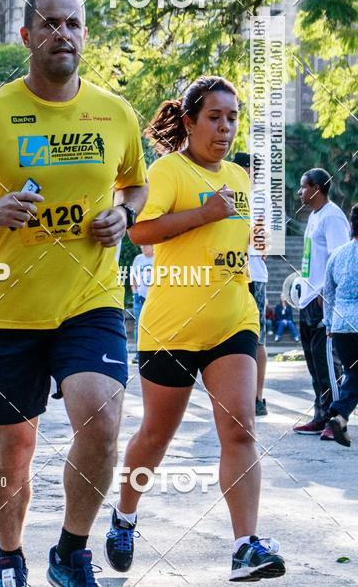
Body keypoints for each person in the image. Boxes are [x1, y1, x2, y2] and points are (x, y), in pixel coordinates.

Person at [0, 0, 148, 587]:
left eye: (72, 23)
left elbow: (135, 184)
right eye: (48, 24)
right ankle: (10, 557)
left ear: (85, 34)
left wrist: (124, 215)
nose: (61, 34)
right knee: (13, 450)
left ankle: (71, 551)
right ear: (26, 35)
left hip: (89, 300)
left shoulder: (115, 112)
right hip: (6, 309)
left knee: (100, 418)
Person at [104, 75, 285, 583]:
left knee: (240, 429)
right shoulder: (168, 171)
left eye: (233, 118)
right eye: (214, 117)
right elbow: (138, 232)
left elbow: (237, 247)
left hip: (233, 321)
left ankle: (245, 545)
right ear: (189, 122)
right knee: (156, 436)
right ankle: (125, 514)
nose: (225, 127)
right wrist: (204, 214)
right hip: (171, 327)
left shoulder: (242, 178)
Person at [293, 169, 350, 436]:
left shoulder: (333, 216)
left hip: (321, 301)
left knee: (327, 363)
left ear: (316, 188)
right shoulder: (314, 217)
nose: (299, 192)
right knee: (314, 365)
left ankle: (334, 419)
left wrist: (326, 295)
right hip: (306, 299)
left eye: (303, 187)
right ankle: (319, 413)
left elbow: (339, 258)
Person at [231, 152, 270, 417]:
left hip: (253, 274)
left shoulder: (260, 199)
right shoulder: (226, 194)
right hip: (230, 272)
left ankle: (257, 398)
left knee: (256, 338)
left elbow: (261, 240)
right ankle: (235, 396)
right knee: (230, 338)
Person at [323, 203, 358, 447]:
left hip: (340, 326)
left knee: (353, 373)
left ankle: (338, 417)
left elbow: (328, 292)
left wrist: (327, 323)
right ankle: (339, 414)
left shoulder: (338, 254)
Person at [130, 245, 154, 364]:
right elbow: (133, 277)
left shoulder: (158, 258)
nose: (143, 248)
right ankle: (139, 353)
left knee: (155, 324)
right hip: (139, 297)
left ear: (153, 246)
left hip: (154, 297)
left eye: (146, 245)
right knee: (139, 324)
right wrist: (135, 293)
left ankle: (153, 351)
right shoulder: (138, 259)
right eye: (142, 246)